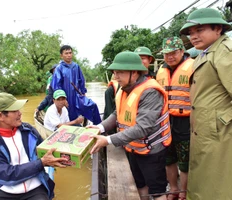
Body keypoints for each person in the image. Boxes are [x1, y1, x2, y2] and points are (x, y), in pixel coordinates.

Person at [89, 51, 172, 200]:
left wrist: (107, 140)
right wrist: (100, 127)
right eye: (114, 72)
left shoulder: (150, 91)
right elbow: (116, 114)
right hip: (133, 147)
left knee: (157, 191)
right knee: (140, 184)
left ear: (134, 73)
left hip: (151, 151)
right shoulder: (124, 88)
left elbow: (143, 128)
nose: (115, 77)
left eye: (120, 72)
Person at [180, 8, 232, 200]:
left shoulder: (225, 52)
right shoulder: (205, 54)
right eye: (191, 33)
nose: (193, 36)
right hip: (205, 131)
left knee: (216, 186)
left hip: (219, 134)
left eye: (199, 30)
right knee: (204, 183)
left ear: (218, 29)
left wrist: (220, 121)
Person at [0, 92, 68, 200]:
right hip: (4, 189)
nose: (20, 113)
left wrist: (63, 156)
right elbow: (5, 174)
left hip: (34, 187)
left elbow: (44, 150)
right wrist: (41, 163)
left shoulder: (29, 131)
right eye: (15, 111)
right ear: (1, 116)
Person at [156, 36, 193, 200]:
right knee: (168, 158)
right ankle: (173, 188)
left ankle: (184, 192)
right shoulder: (161, 71)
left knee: (185, 161)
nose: (170, 56)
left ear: (182, 51)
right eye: (166, 53)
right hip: (165, 121)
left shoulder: (193, 67)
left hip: (185, 121)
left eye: (174, 53)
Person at [51, 45, 101, 125]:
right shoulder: (59, 68)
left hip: (77, 96)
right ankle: (72, 127)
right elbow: (57, 85)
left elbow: (81, 80)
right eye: (66, 53)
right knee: (69, 114)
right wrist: (62, 99)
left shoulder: (76, 66)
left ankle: (99, 126)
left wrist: (83, 93)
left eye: (70, 53)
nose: (69, 55)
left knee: (92, 106)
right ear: (61, 55)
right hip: (66, 97)